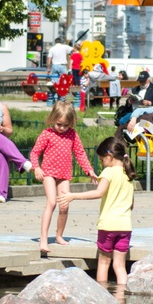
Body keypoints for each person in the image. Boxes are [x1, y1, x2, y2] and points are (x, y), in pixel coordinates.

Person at [58, 136, 135, 286]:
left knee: (104, 264)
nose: (101, 163)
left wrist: (73, 196)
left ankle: (103, 295)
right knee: (119, 267)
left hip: (108, 225)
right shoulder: (128, 174)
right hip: (125, 226)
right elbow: (131, 203)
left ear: (110, 156)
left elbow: (98, 193)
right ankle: (122, 297)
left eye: (101, 159)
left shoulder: (108, 172)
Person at [30, 100, 98, 257]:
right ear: (53, 119)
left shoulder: (72, 135)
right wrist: (37, 167)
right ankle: (44, 239)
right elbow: (35, 152)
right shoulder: (47, 134)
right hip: (48, 173)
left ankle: (59, 235)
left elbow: (80, 153)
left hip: (64, 174)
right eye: (59, 124)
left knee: (64, 206)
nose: (61, 128)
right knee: (52, 203)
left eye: (65, 125)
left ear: (71, 123)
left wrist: (89, 170)